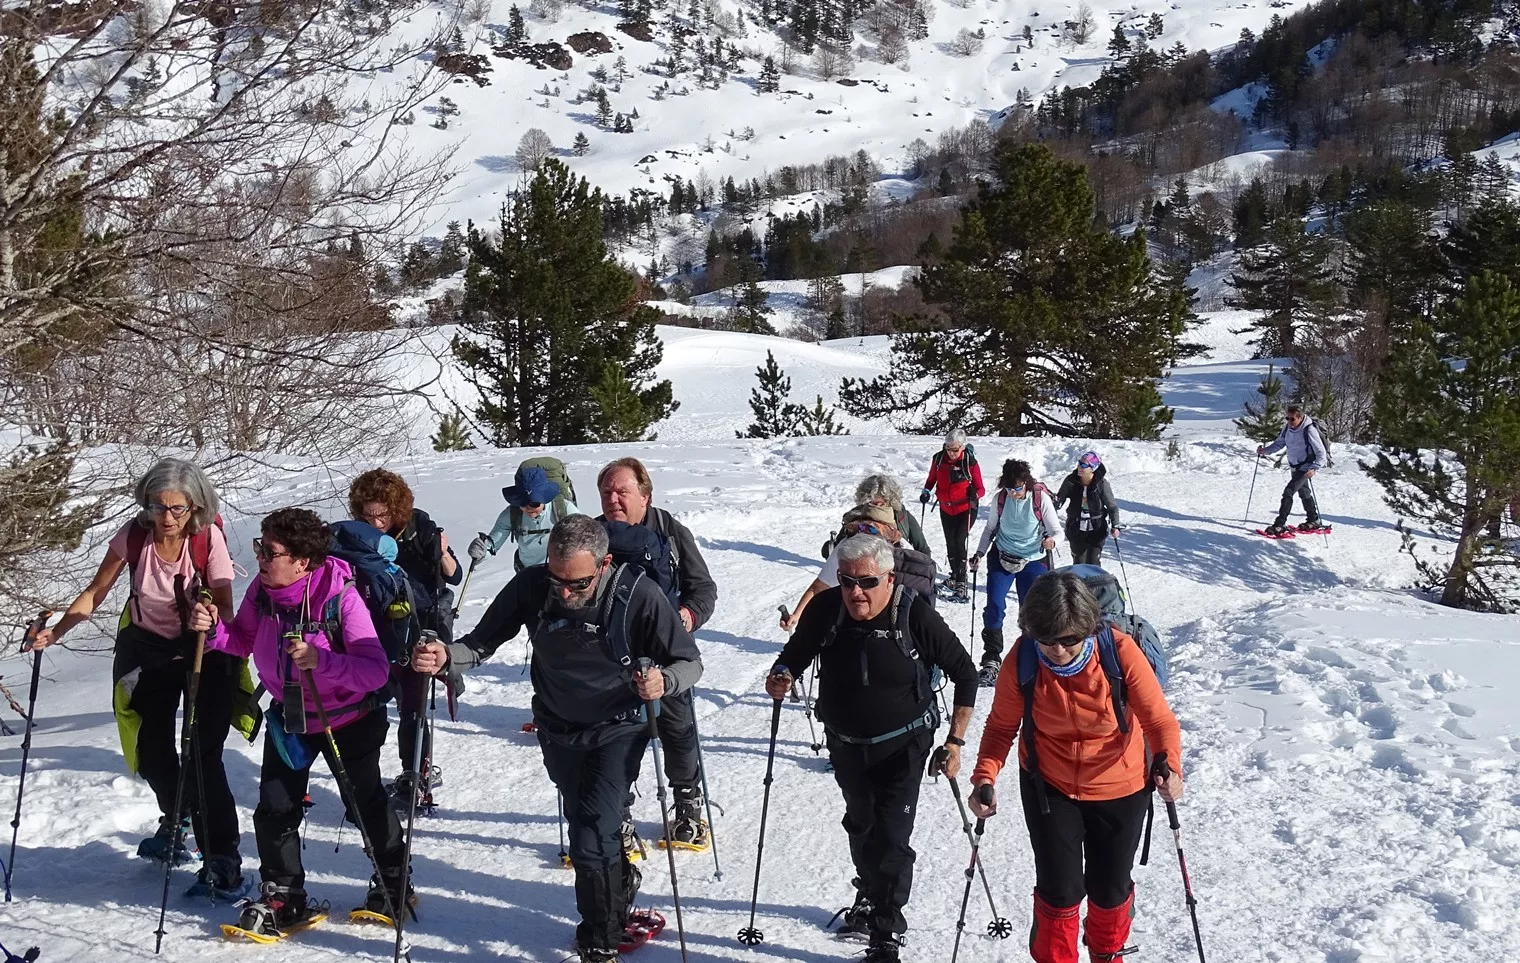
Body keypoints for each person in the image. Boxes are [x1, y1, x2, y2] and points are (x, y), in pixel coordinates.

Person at [409, 515, 702, 963]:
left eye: (578, 584)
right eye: (556, 579)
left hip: (618, 727)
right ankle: (619, 885)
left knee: (590, 832)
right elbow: (481, 643)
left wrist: (664, 680)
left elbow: (690, 663)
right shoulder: (532, 586)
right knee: (587, 819)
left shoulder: (639, 594)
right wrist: (447, 656)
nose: (565, 592)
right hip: (557, 726)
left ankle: (600, 939)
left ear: (604, 564)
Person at [31, 458, 246, 895]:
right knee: (151, 751)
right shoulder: (133, 537)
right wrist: (56, 632)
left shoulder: (207, 541)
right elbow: (96, 591)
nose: (166, 518)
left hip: (203, 650)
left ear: (195, 508)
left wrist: (209, 615)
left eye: (177, 509)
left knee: (203, 755)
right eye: (157, 507)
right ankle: (178, 815)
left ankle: (222, 857)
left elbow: (225, 608)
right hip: (147, 647)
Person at [190, 508, 408, 936]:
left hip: (348, 718)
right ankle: (283, 893)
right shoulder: (263, 591)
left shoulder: (340, 597)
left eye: (269, 552)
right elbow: (241, 641)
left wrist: (321, 661)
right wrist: (213, 628)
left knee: (362, 801)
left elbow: (375, 671)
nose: (260, 559)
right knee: (275, 806)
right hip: (290, 718)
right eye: (260, 547)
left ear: (302, 561)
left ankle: (393, 879)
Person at [765, 534, 978, 963]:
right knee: (861, 826)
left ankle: (886, 932)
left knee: (892, 838)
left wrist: (955, 741)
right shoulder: (827, 610)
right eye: (846, 582)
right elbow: (795, 654)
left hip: (905, 745)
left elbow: (965, 674)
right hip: (846, 744)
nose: (855, 592)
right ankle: (868, 894)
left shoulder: (913, 615)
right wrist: (782, 674)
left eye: (866, 582)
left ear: (889, 577)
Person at [968, 571, 1183, 963]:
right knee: (1059, 890)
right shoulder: (1024, 657)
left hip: (1121, 784)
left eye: (1069, 640)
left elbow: (1159, 721)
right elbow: (1001, 727)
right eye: (1047, 640)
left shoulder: (1118, 652)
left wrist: (1170, 766)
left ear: (1088, 628)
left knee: (1110, 889)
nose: (1058, 651)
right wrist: (985, 776)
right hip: (1049, 785)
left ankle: (1107, 955)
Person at [597, 457, 717, 852]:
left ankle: (687, 806)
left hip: (667, 652)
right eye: (607, 492)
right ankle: (619, 814)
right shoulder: (593, 536)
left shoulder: (671, 531)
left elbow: (703, 589)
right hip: (610, 655)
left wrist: (687, 615)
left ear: (645, 496)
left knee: (678, 731)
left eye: (622, 491)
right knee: (616, 738)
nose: (613, 499)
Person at [348, 468, 462, 810]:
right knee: (373, 702)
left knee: (412, 706)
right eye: (367, 515)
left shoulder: (421, 528)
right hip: (373, 626)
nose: (375, 522)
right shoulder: (357, 535)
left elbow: (453, 575)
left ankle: (416, 775)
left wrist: (442, 551)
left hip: (417, 626)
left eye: (382, 514)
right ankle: (366, 774)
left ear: (396, 509)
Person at [971, 459, 1060, 686]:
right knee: (994, 606)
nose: (1013, 493)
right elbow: (990, 528)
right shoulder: (1000, 499)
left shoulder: (1040, 499)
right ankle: (991, 659)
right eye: (1009, 489)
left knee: (1030, 610)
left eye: (1018, 488)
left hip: (1032, 559)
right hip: (1002, 555)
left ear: (1026, 484)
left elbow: (1057, 530)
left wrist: (1052, 540)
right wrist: (979, 553)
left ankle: (1033, 654)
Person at [781, 501, 936, 631]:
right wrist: (796, 615)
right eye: (861, 527)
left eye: (871, 529)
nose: (863, 534)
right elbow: (819, 587)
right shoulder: (848, 548)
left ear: (889, 531)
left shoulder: (909, 556)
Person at [470, 462, 581, 571]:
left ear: (545, 498)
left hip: (560, 572)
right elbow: (493, 543)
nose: (528, 508)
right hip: (526, 573)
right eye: (522, 503)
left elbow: (586, 537)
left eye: (534, 503)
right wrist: (482, 551)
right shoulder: (512, 514)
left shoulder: (563, 509)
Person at [920, 430, 984, 596]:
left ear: (962, 447)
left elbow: (981, 488)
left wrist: (974, 494)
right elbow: (931, 479)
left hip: (966, 508)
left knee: (959, 540)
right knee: (950, 541)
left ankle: (962, 581)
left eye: (955, 449)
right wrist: (926, 491)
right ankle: (954, 576)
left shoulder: (970, 462)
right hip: (946, 507)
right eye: (948, 448)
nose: (951, 452)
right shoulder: (939, 459)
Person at [1258, 404, 1328, 537]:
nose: (1289, 422)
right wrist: (1265, 451)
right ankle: (1313, 519)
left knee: (1288, 492)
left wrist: (1314, 468)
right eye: (1287, 418)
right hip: (1294, 466)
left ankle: (1279, 524)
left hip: (1305, 467)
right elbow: (1279, 443)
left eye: (1292, 419)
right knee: (1304, 493)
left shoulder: (1309, 430)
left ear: (1300, 418)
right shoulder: (1288, 428)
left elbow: (1321, 452)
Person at [823, 474, 931, 558]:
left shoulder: (901, 516)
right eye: (872, 504)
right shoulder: (855, 517)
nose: (877, 508)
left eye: (881, 504)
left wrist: (923, 571)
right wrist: (829, 549)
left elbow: (922, 548)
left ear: (891, 501)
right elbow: (838, 549)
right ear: (864, 502)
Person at [1053, 452, 1121, 566]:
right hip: (1076, 527)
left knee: (1093, 562)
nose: (1080, 467)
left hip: (1096, 528)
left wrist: (1115, 525)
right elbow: (1060, 500)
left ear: (1093, 468)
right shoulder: (1071, 481)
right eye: (1079, 463)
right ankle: (1078, 584)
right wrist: (1051, 507)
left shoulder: (1101, 484)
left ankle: (1095, 583)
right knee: (1079, 562)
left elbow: (1112, 506)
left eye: (1084, 465)